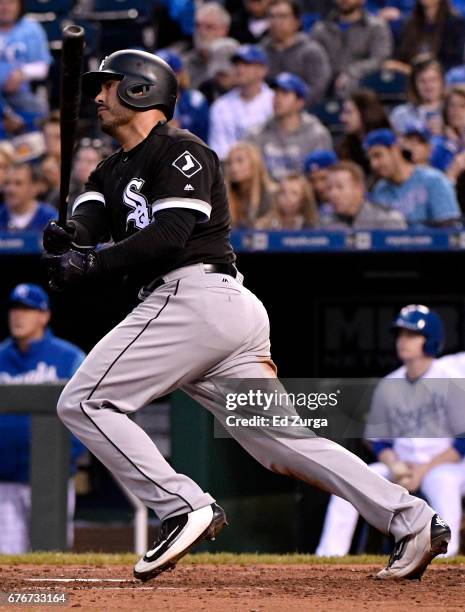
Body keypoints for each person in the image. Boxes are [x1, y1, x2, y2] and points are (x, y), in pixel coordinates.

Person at [43, 49, 451, 582]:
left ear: (141, 90)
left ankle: (181, 505)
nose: (97, 97)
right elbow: (86, 230)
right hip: (211, 317)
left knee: (85, 400)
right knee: (282, 444)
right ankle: (412, 519)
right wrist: (65, 245)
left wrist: (89, 263)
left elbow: (170, 236)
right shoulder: (106, 169)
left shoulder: (181, 151)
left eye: (109, 85)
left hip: (196, 297)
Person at [317, 305, 465, 557]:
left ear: (430, 340)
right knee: (352, 482)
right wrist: (394, 465)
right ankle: (328, 556)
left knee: (444, 484)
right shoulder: (389, 384)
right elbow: (376, 441)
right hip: (400, 465)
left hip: (444, 464)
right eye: (400, 335)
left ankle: (444, 560)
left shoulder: (450, 378)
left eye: (411, 335)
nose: (402, 341)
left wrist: (424, 469)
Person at [0, 283, 85, 553]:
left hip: (53, 479)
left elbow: (87, 413)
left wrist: (65, 458)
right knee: (8, 563)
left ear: (44, 315)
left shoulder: (69, 357)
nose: (18, 315)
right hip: (5, 482)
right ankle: (13, 600)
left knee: (50, 559)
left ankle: (51, 600)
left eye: (27, 309)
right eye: (15, 308)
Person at [366, 128, 462, 226]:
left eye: (378, 155)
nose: (374, 164)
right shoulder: (380, 190)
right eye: (370, 159)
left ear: (395, 149)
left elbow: (451, 230)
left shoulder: (434, 181)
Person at [246, 72, 332, 181]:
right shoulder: (257, 133)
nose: (277, 99)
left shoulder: (317, 134)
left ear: (299, 102)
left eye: (284, 93)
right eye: (276, 93)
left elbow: (322, 177)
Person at [310, 0, 393, 96]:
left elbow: (379, 59)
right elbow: (314, 62)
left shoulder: (376, 27)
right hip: (326, 87)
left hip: (363, 89)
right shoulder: (320, 29)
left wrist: (351, 72)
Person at [209, 44, 274, 160]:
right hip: (233, 170)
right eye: (237, 64)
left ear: (262, 70)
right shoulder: (221, 106)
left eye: (246, 64)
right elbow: (219, 151)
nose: (240, 69)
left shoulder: (274, 101)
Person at [260, 0, 331, 105]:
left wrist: (290, 105)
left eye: (282, 16)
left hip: (301, 111)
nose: (276, 22)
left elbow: (317, 89)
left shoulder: (311, 52)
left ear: (297, 21)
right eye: (272, 16)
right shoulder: (261, 51)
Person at [0, 0, 52, 138]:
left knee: (38, 113)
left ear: (19, 5)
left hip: (21, 94)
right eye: (1, 3)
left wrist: (22, 73)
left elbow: (43, 67)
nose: (5, 8)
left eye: (10, 3)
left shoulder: (31, 28)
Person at [320, 160, 407, 228]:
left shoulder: (388, 220)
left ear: (359, 189)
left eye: (340, 187)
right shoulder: (324, 224)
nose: (333, 194)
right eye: (329, 188)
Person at [155, 49, 209, 142]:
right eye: (157, 73)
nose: (161, 78)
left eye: (167, 72)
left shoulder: (195, 101)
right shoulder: (144, 102)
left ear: (180, 74)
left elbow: (204, 138)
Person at [397, 0, 465, 71]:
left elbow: (454, 61)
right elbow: (402, 56)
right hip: (409, 73)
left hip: (441, 75)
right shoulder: (410, 23)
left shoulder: (455, 24)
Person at [338, 88, 391, 176]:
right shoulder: (346, 148)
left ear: (365, 113)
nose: (342, 118)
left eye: (348, 112)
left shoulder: (386, 143)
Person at [225, 141, 276, 227]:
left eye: (240, 161)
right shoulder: (223, 196)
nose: (233, 168)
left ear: (254, 163)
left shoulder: (272, 195)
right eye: (230, 163)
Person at [390, 55, 445, 136]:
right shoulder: (400, 114)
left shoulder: (454, 112)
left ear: (442, 82)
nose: (428, 86)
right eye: (422, 81)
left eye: (433, 80)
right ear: (414, 84)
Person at [182, 2, 231, 89]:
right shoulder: (184, 63)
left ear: (224, 30)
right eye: (198, 25)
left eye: (209, 27)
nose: (202, 32)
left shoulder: (236, 61)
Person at [0, 162, 56, 231]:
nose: (10, 189)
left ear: (34, 187)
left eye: (18, 183)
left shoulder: (50, 218)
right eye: (7, 183)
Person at [255, 173, 320, 229]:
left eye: (294, 193)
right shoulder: (263, 226)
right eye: (283, 192)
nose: (287, 197)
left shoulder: (313, 227)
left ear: (304, 199)